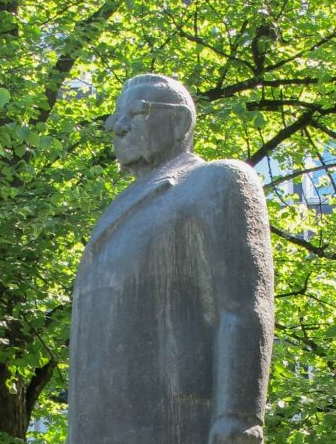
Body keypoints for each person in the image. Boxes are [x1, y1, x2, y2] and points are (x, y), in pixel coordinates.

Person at [68, 74, 275, 443]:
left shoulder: (216, 181)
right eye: (115, 117)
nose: (118, 127)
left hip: (177, 416)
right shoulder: (112, 212)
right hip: (100, 425)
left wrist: (238, 414)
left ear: (180, 121)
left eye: (136, 112)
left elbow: (244, 305)